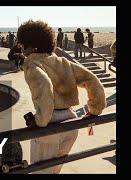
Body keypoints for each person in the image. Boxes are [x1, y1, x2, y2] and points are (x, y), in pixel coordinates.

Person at [17, 19, 106, 174]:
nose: (22, 49)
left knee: (41, 172)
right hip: (71, 122)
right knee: (54, 171)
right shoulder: (62, 62)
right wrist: (95, 109)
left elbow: (45, 85)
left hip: (50, 124)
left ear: (31, 45)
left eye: (23, 45)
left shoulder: (32, 64)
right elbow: (91, 79)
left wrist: (40, 121)